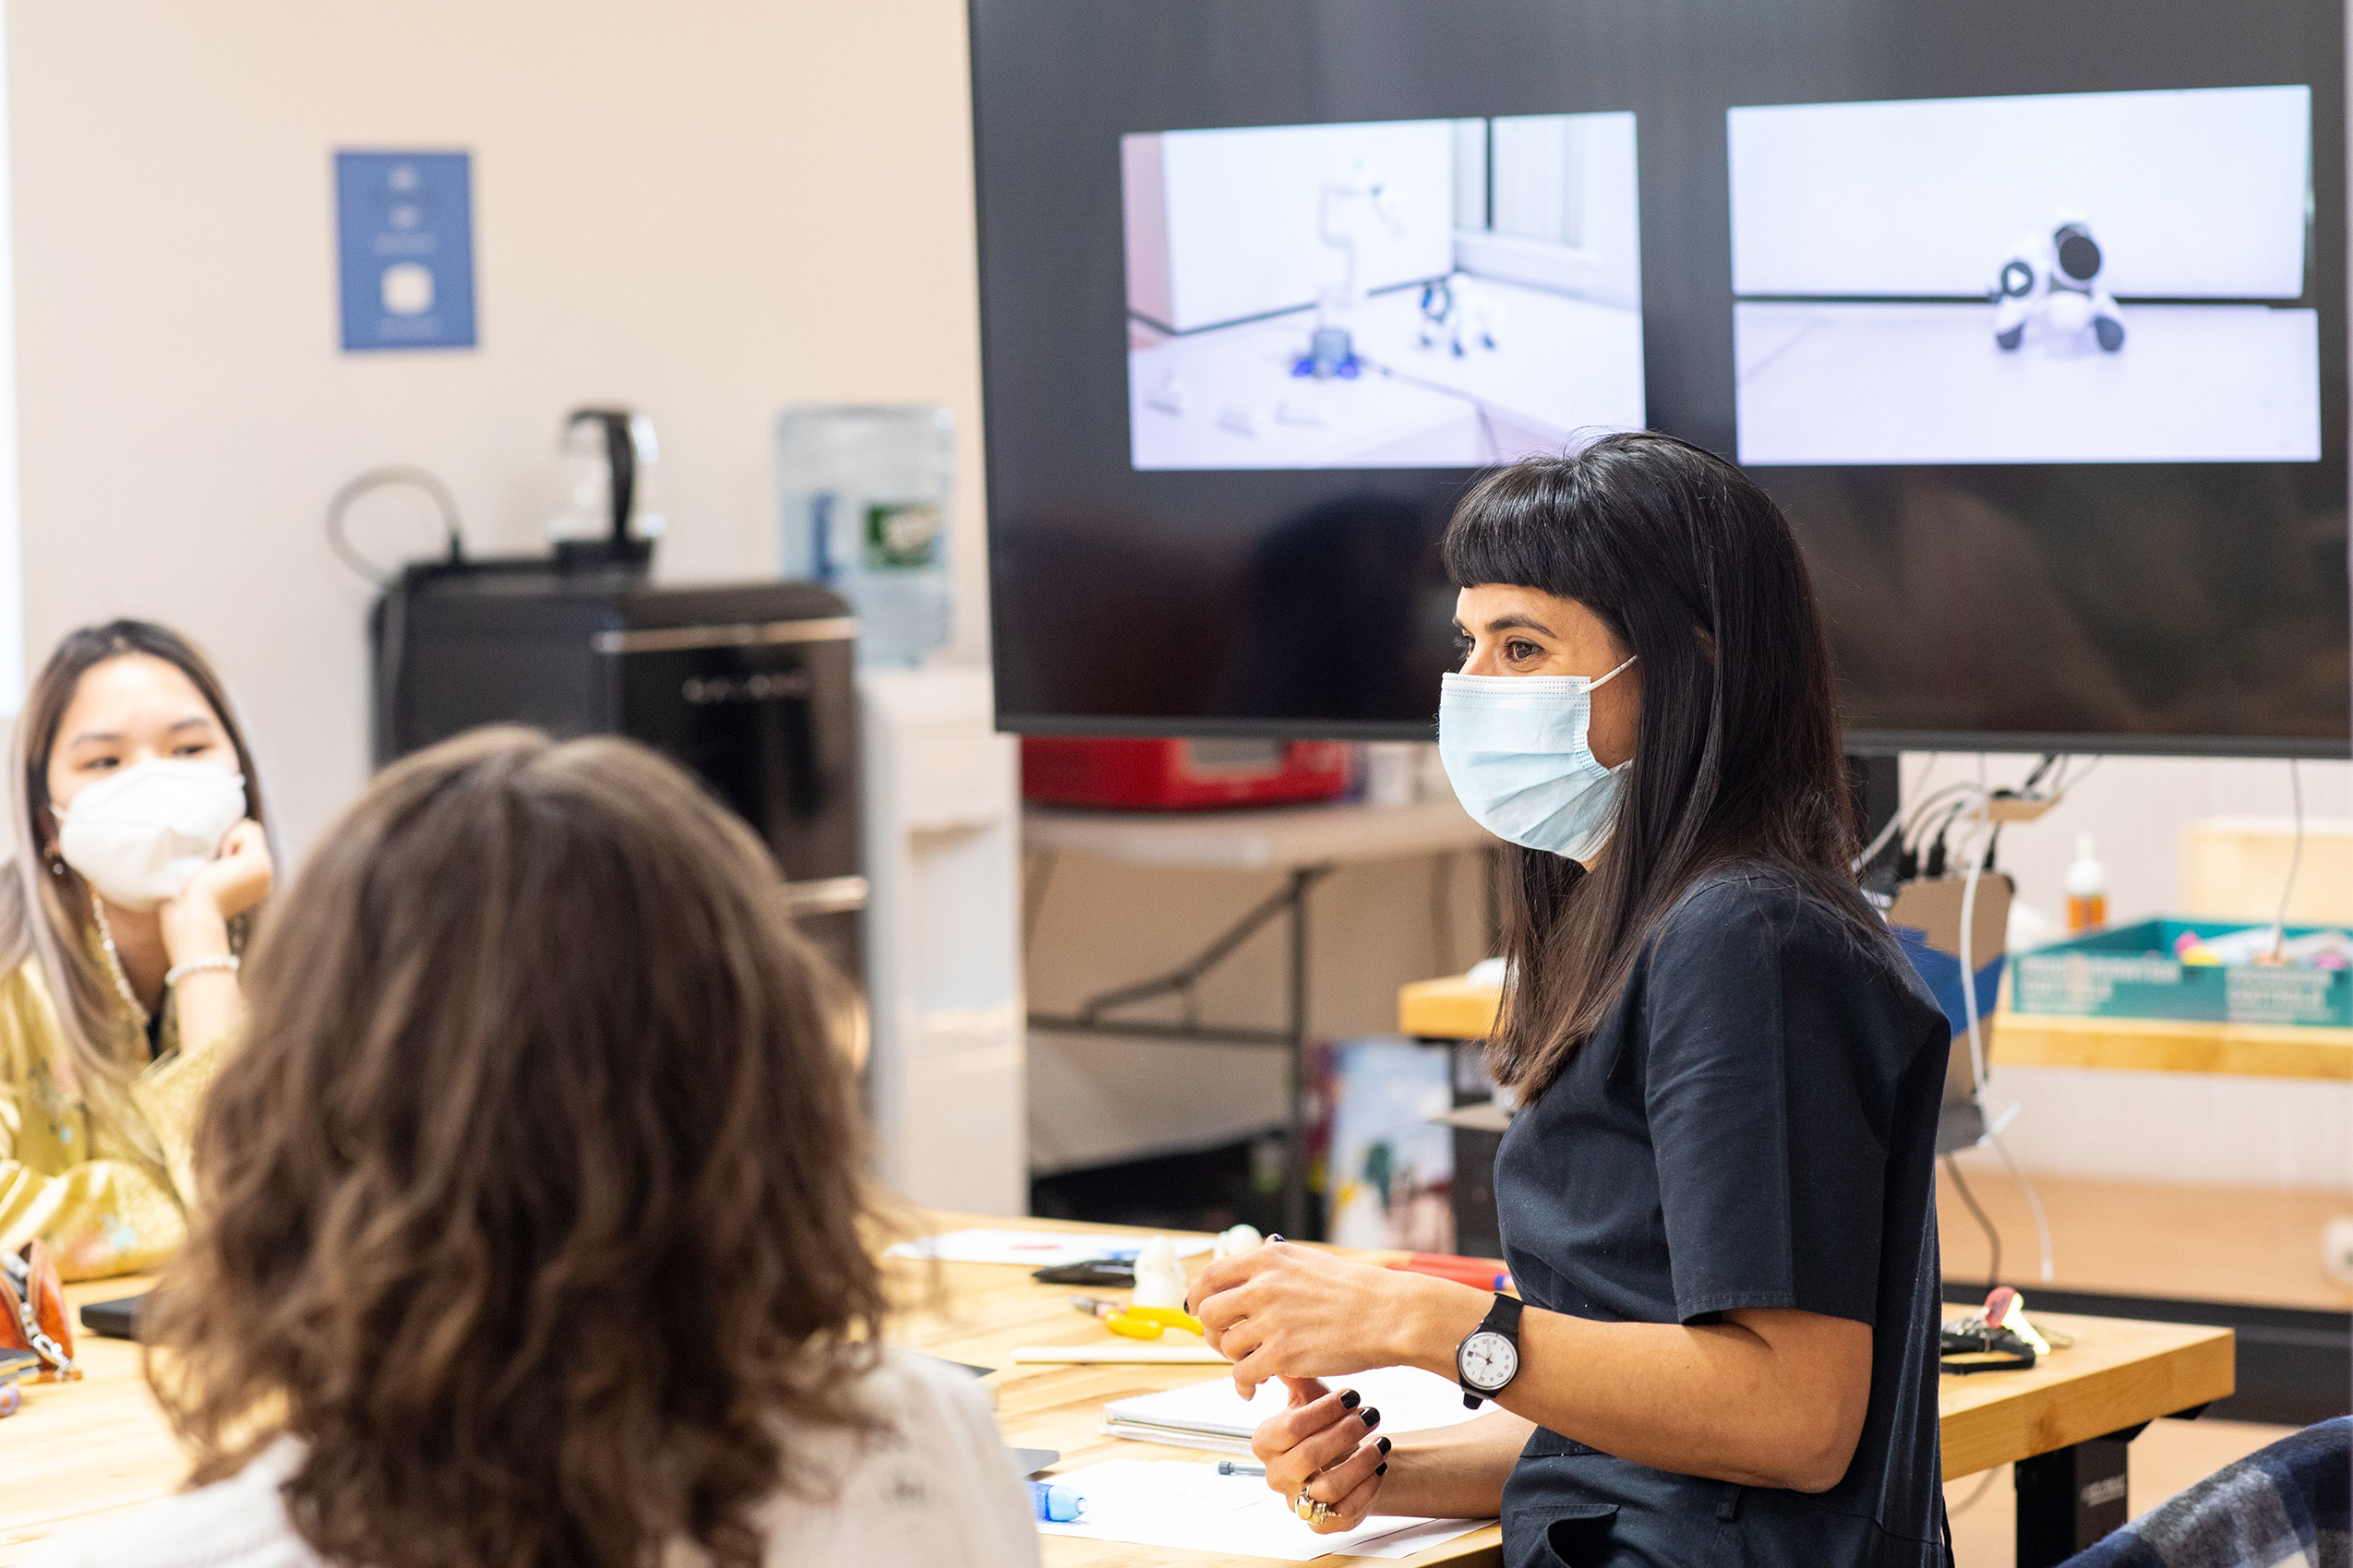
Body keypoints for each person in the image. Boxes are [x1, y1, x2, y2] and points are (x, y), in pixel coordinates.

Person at [1189, 434, 1953, 1568]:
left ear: (1686, 668)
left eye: (1523, 647)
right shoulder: (1650, 927)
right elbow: (1641, 1428)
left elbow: (1787, 1418)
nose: (1473, 689)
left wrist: (1415, 1319)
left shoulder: (1745, 941)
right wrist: (1385, 1472)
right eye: (1469, 645)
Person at [27, 727, 1040, 1568]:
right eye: (103, 758)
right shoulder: (932, 1441)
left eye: (185, 742)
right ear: (777, 1093)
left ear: (300, 1123)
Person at [0, 621, 273, 1280]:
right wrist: (178, 1212)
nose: (155, 781)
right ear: (47, 822)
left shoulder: (315, 960)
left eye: (188, 748)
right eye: (104, 761)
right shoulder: (9, 969)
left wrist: (201, 932)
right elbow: (257, 1212)